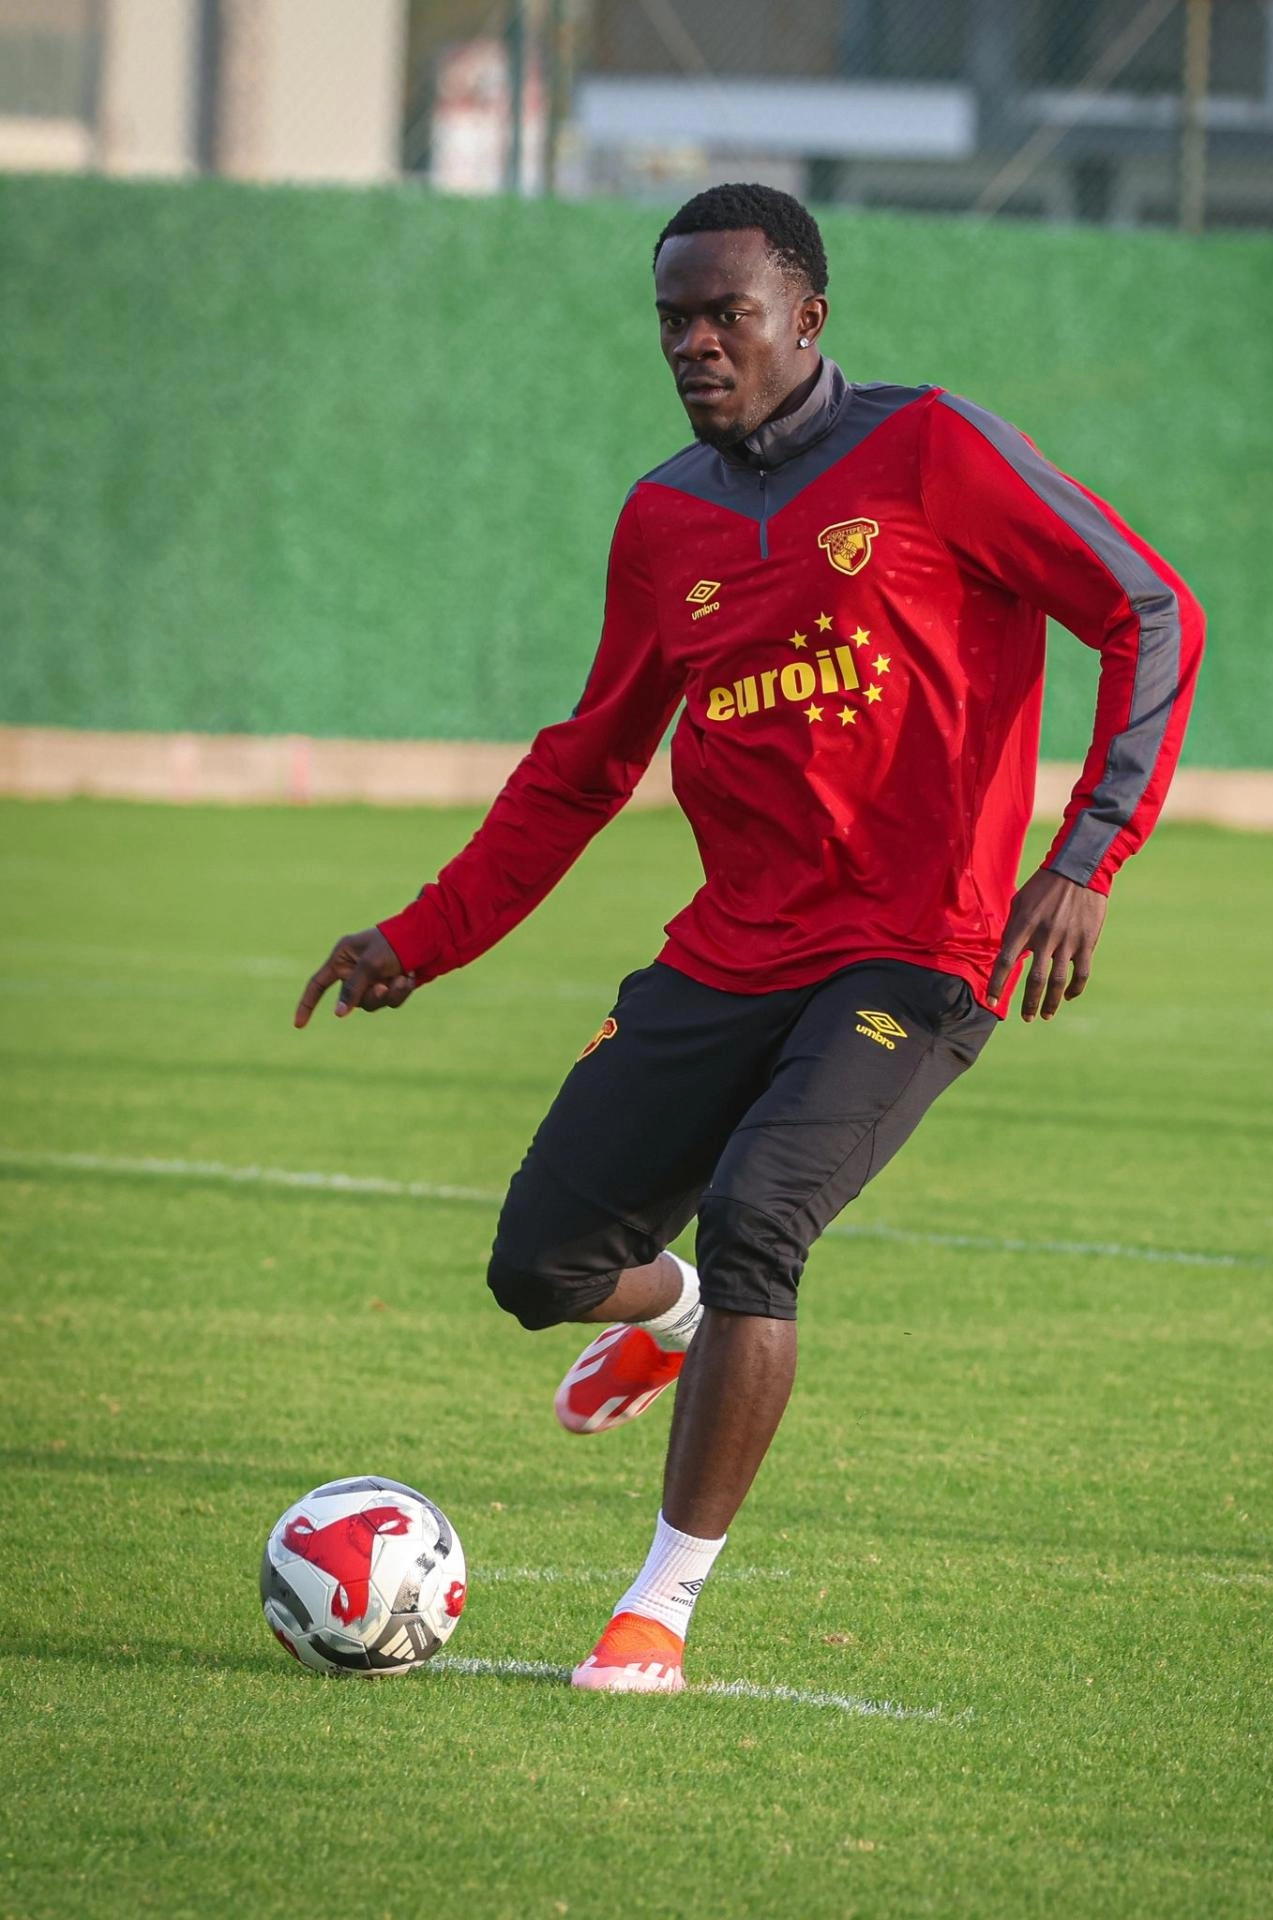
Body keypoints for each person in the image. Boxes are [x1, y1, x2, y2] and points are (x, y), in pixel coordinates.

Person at [294, 183, 1204, 1694]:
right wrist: (422, 937)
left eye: (728, 314)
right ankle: (677, 1315)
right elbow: (584, 765)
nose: (695, 343)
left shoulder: (935, 450)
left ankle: (659, 1605)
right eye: (674, 319)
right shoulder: (667, 519)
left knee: (760, 1213)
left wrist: (1087, 854)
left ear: (808, 318)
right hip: (730, 949)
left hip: (920, 947)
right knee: (539, 1267)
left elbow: (1149, 610)